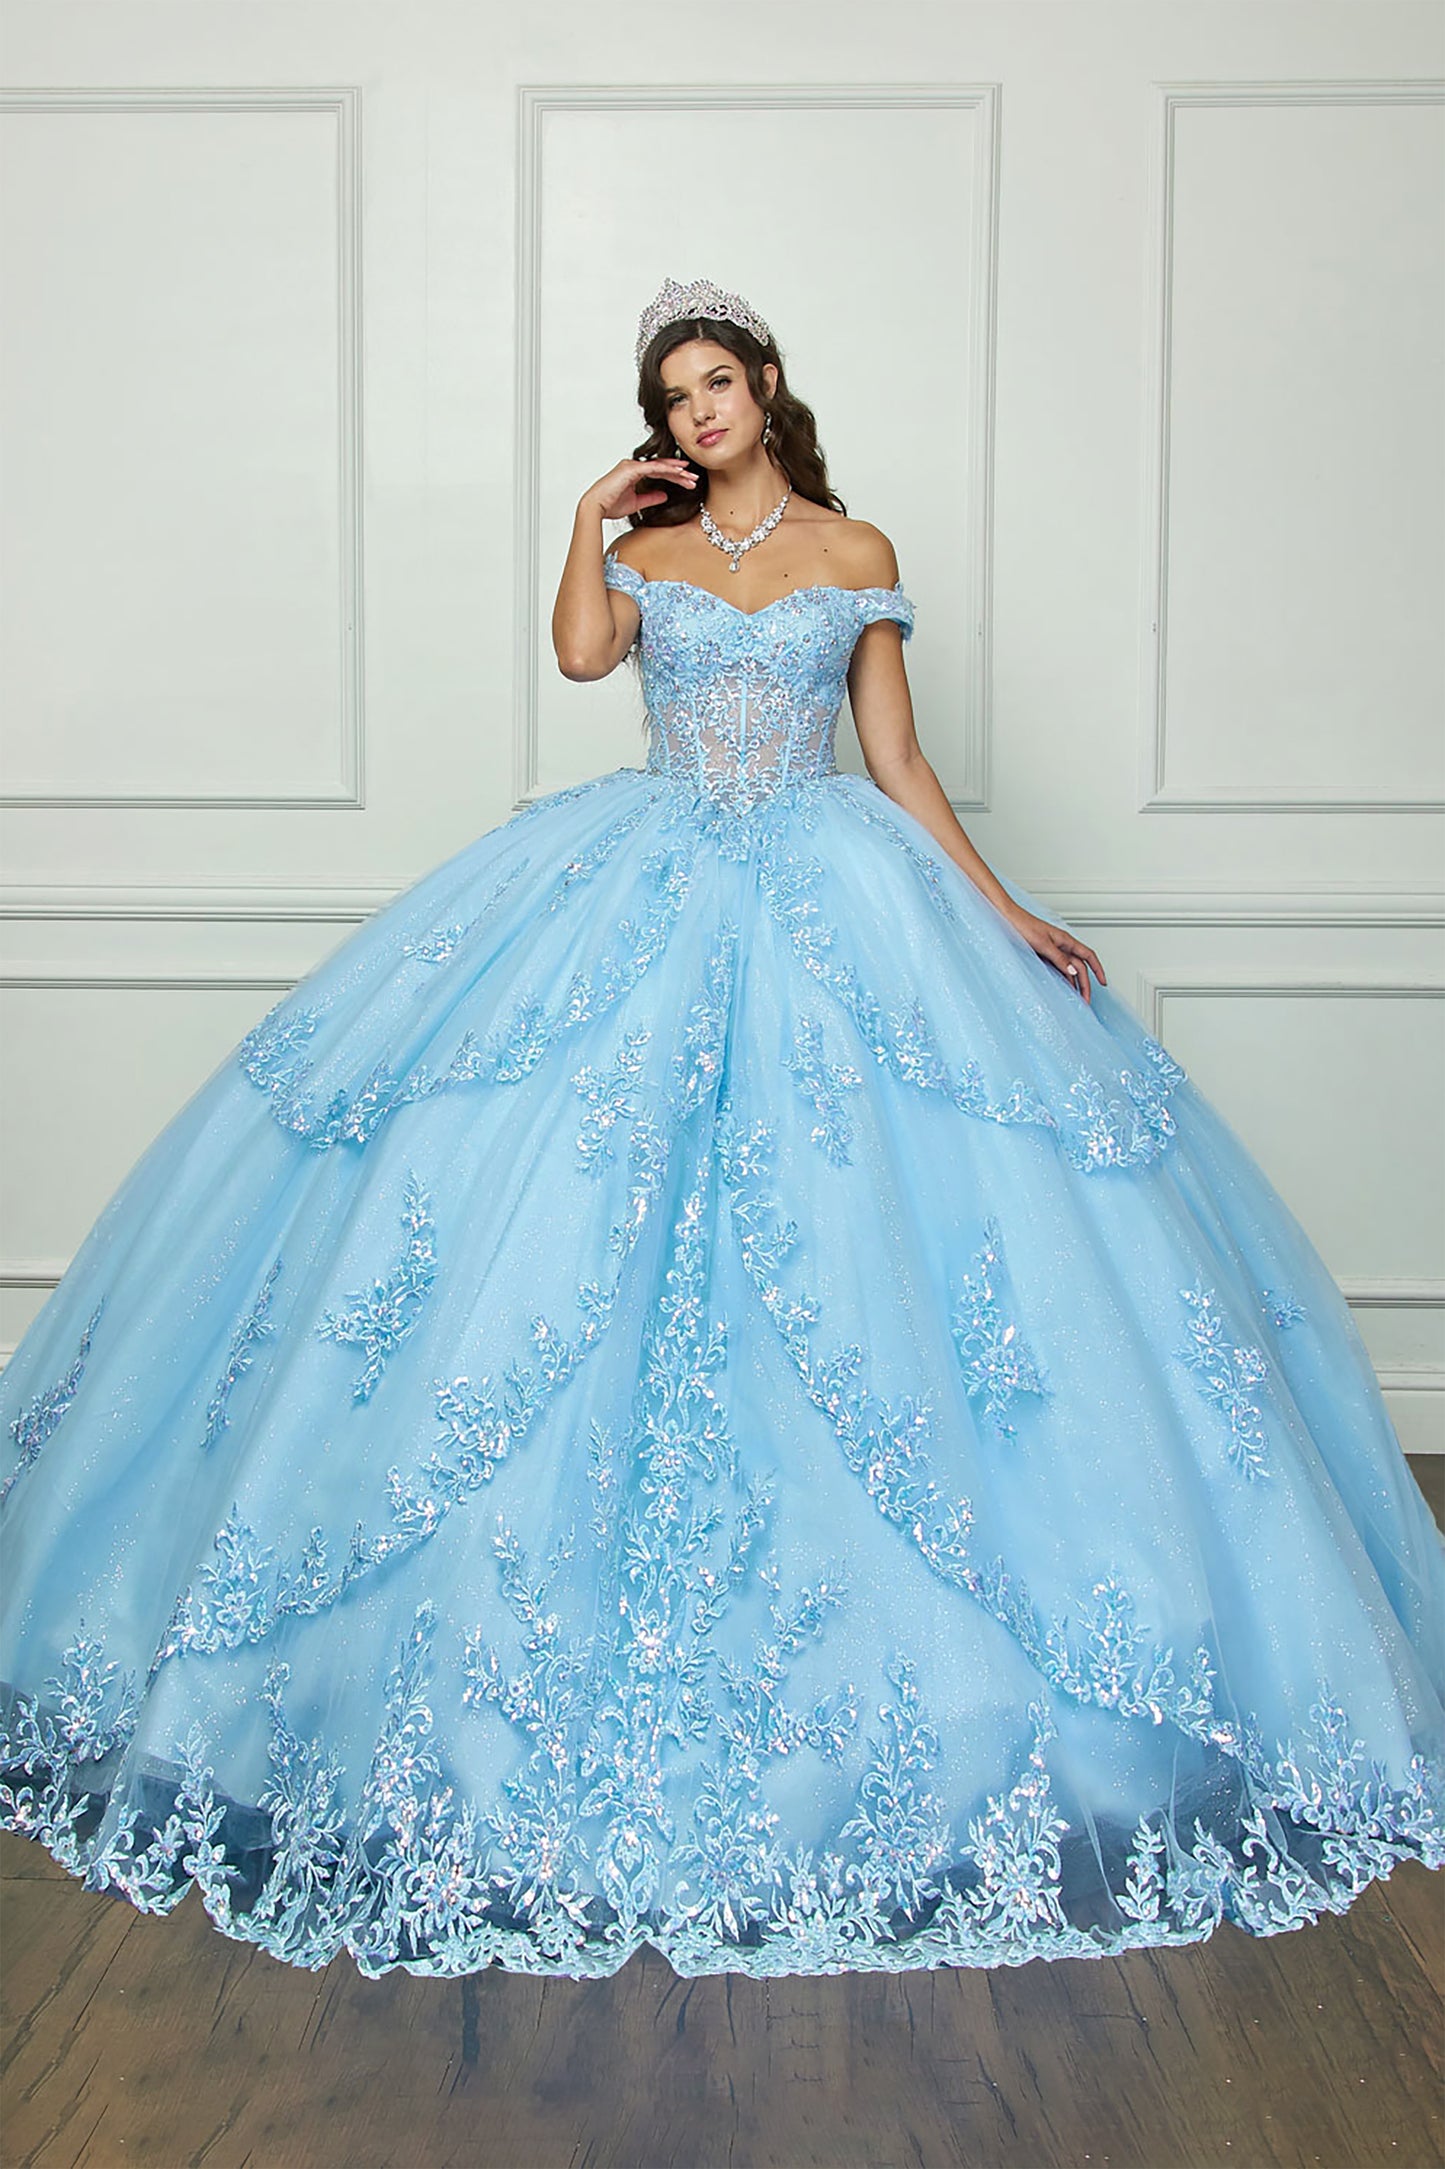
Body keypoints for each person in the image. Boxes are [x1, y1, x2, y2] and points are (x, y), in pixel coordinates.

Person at [1, 277, 1441, 1986]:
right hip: (642, 880)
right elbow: (578, 658)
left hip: (839, 907)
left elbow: (899, 767)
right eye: (668, 397)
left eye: (715, 384)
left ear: (766, 385)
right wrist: (585, 521)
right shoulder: (649, 559)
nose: (695, 413)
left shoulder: (851, 550)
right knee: (555, 1249)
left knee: (856, 1257)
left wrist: (1001, 916)